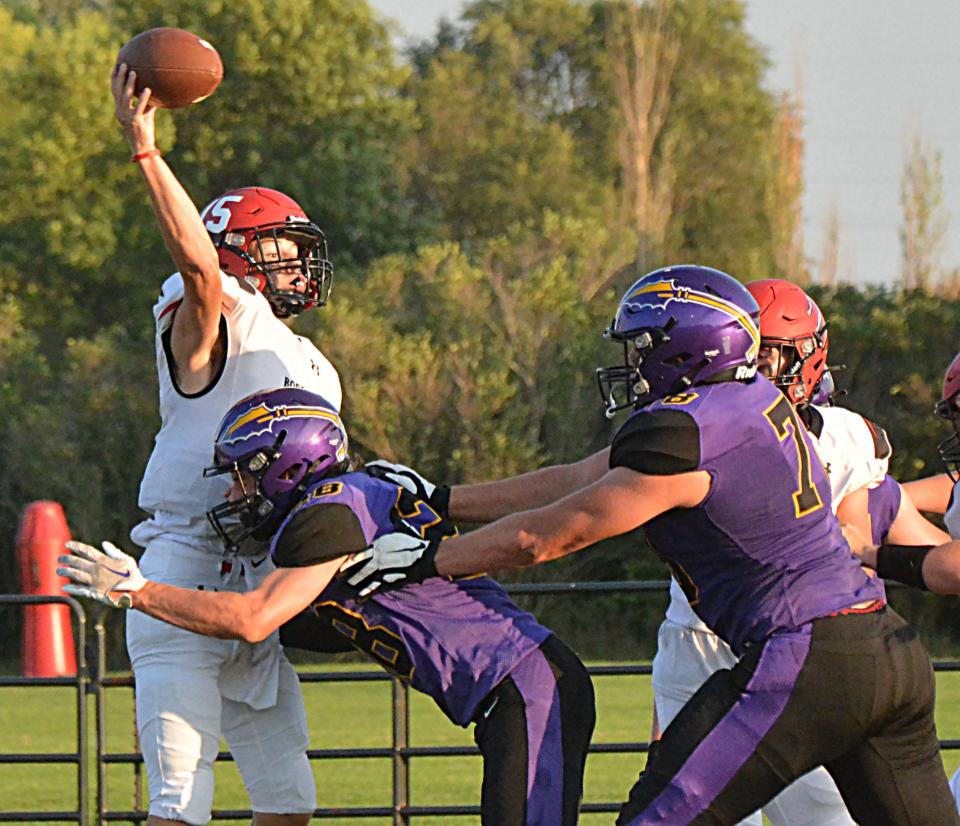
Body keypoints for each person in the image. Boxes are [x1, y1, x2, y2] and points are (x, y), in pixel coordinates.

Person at [342, 264, 960, 825]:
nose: (635, 364)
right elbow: (577, 478)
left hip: (805, 655)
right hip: (890, 654)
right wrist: (444, 498)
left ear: (685, 348)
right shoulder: (754, 404)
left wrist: (431, 557)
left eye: (644, 347)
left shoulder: (688, 428)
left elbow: (550, 535)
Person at [58, 388, 596, 826]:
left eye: (244, 475)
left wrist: (136, 590)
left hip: (525, 687)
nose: (232, 495)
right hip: (515, 691)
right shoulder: (355, 499)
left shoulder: (329, 513)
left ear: (288, 467)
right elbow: (328, 625)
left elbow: (254, 619)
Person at [113, 64, 341, 825]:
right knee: (179, 808)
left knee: (289, 806)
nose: (294, 261)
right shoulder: (218, 310)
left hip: (260, 580)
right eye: (277, 247)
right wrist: (146, 151)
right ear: (237, 252)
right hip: (180, 572)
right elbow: (199, 270)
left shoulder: (309, 360)